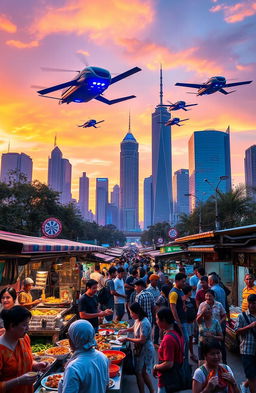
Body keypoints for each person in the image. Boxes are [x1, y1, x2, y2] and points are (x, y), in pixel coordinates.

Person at [0, 306, 48, 393]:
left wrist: (35, 364)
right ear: (12, 326)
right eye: (24, 325)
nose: (28, 328)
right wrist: (18, 381)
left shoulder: (24, 338)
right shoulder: (1, 350)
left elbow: (25, 360)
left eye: (28, 324)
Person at [59, 320, 108, 393]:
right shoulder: (103, 357)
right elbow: (106, 384)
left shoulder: (73, 368)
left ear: (74, 340)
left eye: (69, 336)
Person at [119, 302, 154, 393]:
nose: (130, 314)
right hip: (139, 349)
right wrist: (125, 330)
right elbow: (134, 328)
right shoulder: (138, 319)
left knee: (140, 373)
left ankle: (148, 391)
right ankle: (152, 391)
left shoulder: (144, 323)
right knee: (142, 372)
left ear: (136, 313)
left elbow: (142, 340)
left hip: (145, 350)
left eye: (131, 312)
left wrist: (127, 339)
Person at [153, 307, 184, 393]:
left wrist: (155, 367)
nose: (156, 322)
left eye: (157, 319)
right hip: (175, 377)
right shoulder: (176, 331)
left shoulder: (168, 339)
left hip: (167, 379)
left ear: (163, 320)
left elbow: (169, 364)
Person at [197, 290, 227, 364]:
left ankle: (224, 363)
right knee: (202, 361)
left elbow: (224, 315)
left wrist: (218, 323)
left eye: (210, 296)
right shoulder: (202, 305)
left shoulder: (219, 305)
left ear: (214, 296)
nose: (208, 297)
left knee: (221, 348)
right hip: (202, 344)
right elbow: (197, 319)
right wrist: (202, 312)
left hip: (216, 331)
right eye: (206, 295)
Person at [235, 294, 256, 393]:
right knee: (251, 376)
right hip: (247, 350)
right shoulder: (242, 316)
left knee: (253, 375)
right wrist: (250, 326)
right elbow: (237, 331)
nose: (253, 305)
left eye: (255, 303)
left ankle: (244, 384)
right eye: (251, 303)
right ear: (248, 303)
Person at [169, 273, 188, 349]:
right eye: (182, 281)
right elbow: (173, 309)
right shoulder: (174, 293)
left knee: (185, 341)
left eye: (184, 281)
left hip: (183, 319)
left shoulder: (180, 290)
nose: (184, 283)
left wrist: (184, 305)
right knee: (184, 341)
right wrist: (178, 322)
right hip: (178, 321)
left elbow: (182, 301)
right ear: (177, 281)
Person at [183, 285, 198, 362]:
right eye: (190, 291)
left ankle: (192, 354)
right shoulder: (182, 301)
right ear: (188, 292)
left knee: (191, 339)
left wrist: (195, 324)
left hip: (192, 323)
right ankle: (185, 356)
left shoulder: (192, 300)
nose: (191, 292)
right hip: (185, 324)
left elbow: (195, 312)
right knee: (186, 340)